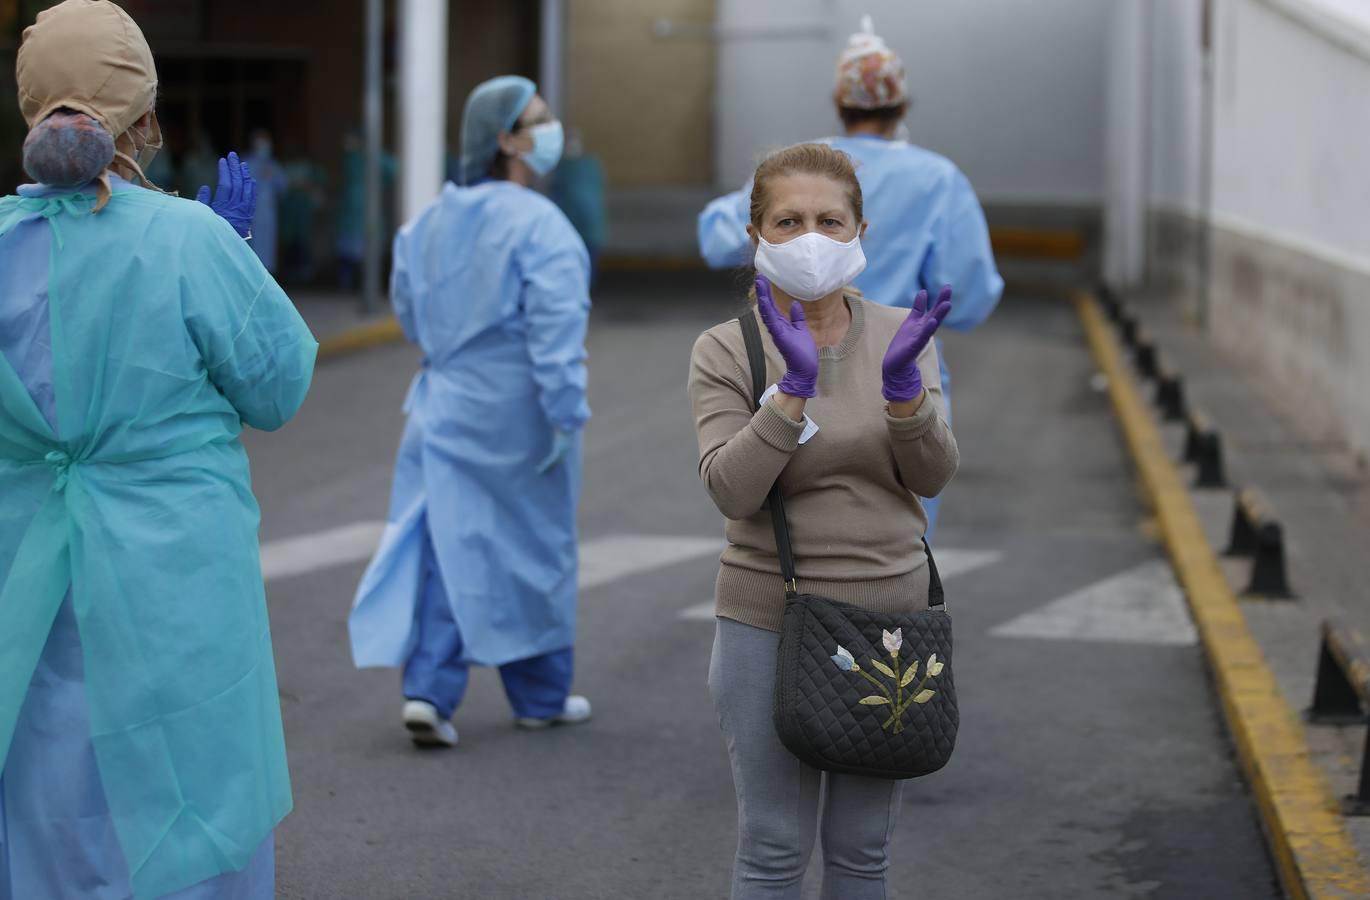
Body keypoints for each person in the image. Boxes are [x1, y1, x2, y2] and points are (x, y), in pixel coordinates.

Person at [0, 2, 317, 897]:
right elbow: (277, 388)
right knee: (186, 793)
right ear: (144, 120)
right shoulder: (190, 239)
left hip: (26, 578)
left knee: (48, 788)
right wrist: (239, 258)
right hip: (176, 583)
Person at [688, 143, 958, 899]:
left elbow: (932, 476)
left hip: (890, 626)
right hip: (768, 623)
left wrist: (907, 399)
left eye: (830, 220)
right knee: (773, 850)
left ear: (860, 230)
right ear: (756, 236)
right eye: (789, 220)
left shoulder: (903, 333)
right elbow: (731, 490)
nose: (811, 237)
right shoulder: (728, 349)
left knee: (860, 851)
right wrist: (790, 394)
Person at [350, 75, 592, 748]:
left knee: (448, 542)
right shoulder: (541, 225)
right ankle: (540, 693)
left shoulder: (427, 222)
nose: (550, 130)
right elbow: (556, 330)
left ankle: (429, 688)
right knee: (536, 550)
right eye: (538, 119)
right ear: (507, 140)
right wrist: (566, 412)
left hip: (447, 400)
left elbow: (408, 311)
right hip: (522, 409)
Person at [697, 15, 1000, 538]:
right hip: (897, 364)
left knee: (783, 520)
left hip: (787, 350)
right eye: (794, 224)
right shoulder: (937, 179)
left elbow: (714, 237)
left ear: (839, 105)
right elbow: (968, 295)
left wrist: (778, 225)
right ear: (902, 108)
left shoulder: (802, 171)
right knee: (903, 526)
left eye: (832, 225)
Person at [550, 127, 607, 284]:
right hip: (570, 223)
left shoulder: (590, 165)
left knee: (588, 261)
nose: (572, 144)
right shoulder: (563, 168)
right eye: (569, 140)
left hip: (589, 223)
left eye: (574, 140)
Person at [245, 128, 287, 274]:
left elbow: (283, 186)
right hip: (252, 214)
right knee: (253, 247)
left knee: (268, 247)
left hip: (268, 213)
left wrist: (272, 176)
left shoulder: (273, 165)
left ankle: (268, 276)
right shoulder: (247, 163)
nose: (264, 146)